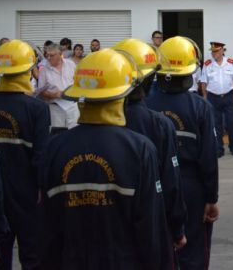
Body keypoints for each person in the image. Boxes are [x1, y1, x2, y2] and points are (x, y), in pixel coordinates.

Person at [41, 49, 170, 269]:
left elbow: (47, 227)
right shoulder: (139, 149)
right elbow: (150, 227)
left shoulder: (54, 148)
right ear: (125, 92)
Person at [147, 37, 219, 270]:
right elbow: (209, 158)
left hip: (153, 184)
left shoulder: (145, 105)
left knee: (159, 247)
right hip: (191, 186)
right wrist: (211, 198)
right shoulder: (200, 107)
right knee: (194, 250)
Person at [114, 38, 187, 255]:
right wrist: (177, 228)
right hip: (152, 222)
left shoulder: (72, 138)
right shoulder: (160, 124)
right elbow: (170, 182)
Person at [0, 40, 50, 269]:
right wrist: (41, 187)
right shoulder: (36, 108)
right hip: (27, 190)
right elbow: (41, 154)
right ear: (29, 71)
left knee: (0, 253)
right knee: (31, 254)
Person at [199, 42, 233, 157]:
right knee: (216, 124)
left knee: (231, 122)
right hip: (213, 97)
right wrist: (205, 98)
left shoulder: (231, 63)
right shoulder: (207, 64)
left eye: (216, 51)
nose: (214, 53)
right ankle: (219, 148)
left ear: (222, 50)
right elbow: (203, 82)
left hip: (228, 96)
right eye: (212, 51)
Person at [38, 42, 80, 132]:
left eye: (51, 55)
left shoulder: (71, 64)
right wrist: (53, 95)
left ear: (60, 54)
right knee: (57, 135)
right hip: (55, 108)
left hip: (72, 106)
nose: (48, 58)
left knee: (74, 134)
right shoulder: (44, 70)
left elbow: (78, 82)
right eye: (47, 55)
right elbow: (40, 92)